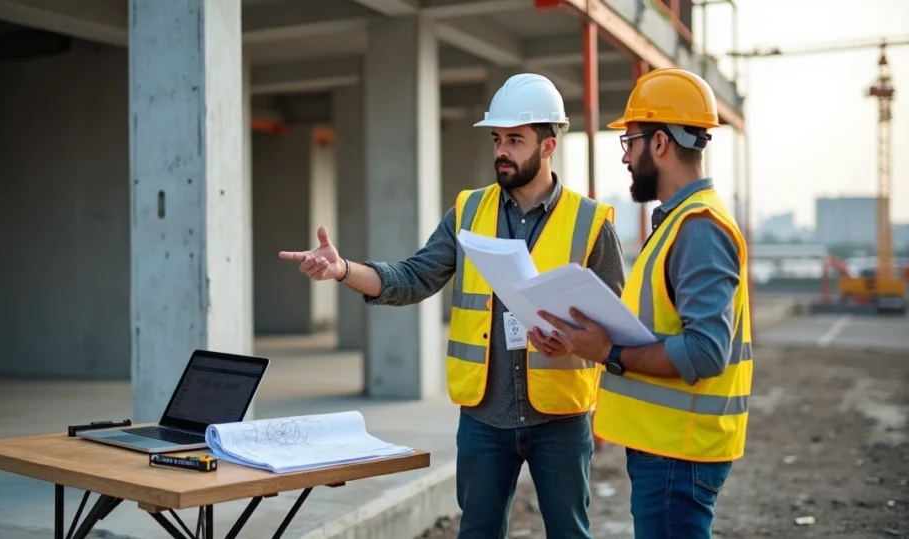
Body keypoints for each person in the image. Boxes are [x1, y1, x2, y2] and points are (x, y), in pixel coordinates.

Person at [279, 73, 626, 539]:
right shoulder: (468, 212)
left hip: (560, 421)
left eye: (515, 140)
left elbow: (614, 326)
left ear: (548, 146)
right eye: (497, 138)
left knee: (570, 533)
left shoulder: (590, 224)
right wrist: (342, 268)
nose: (502, 150)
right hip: (483, 419)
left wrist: (572, 345)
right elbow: (413, 277)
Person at [536, 68, 751, 539]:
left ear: (659, 143)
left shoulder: (698, 228)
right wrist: (585, 342)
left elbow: (705, 351)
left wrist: (608, 353)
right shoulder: (678, 223)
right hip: (668, 446)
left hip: (679, 452)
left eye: (628, 142)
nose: (625, 157)